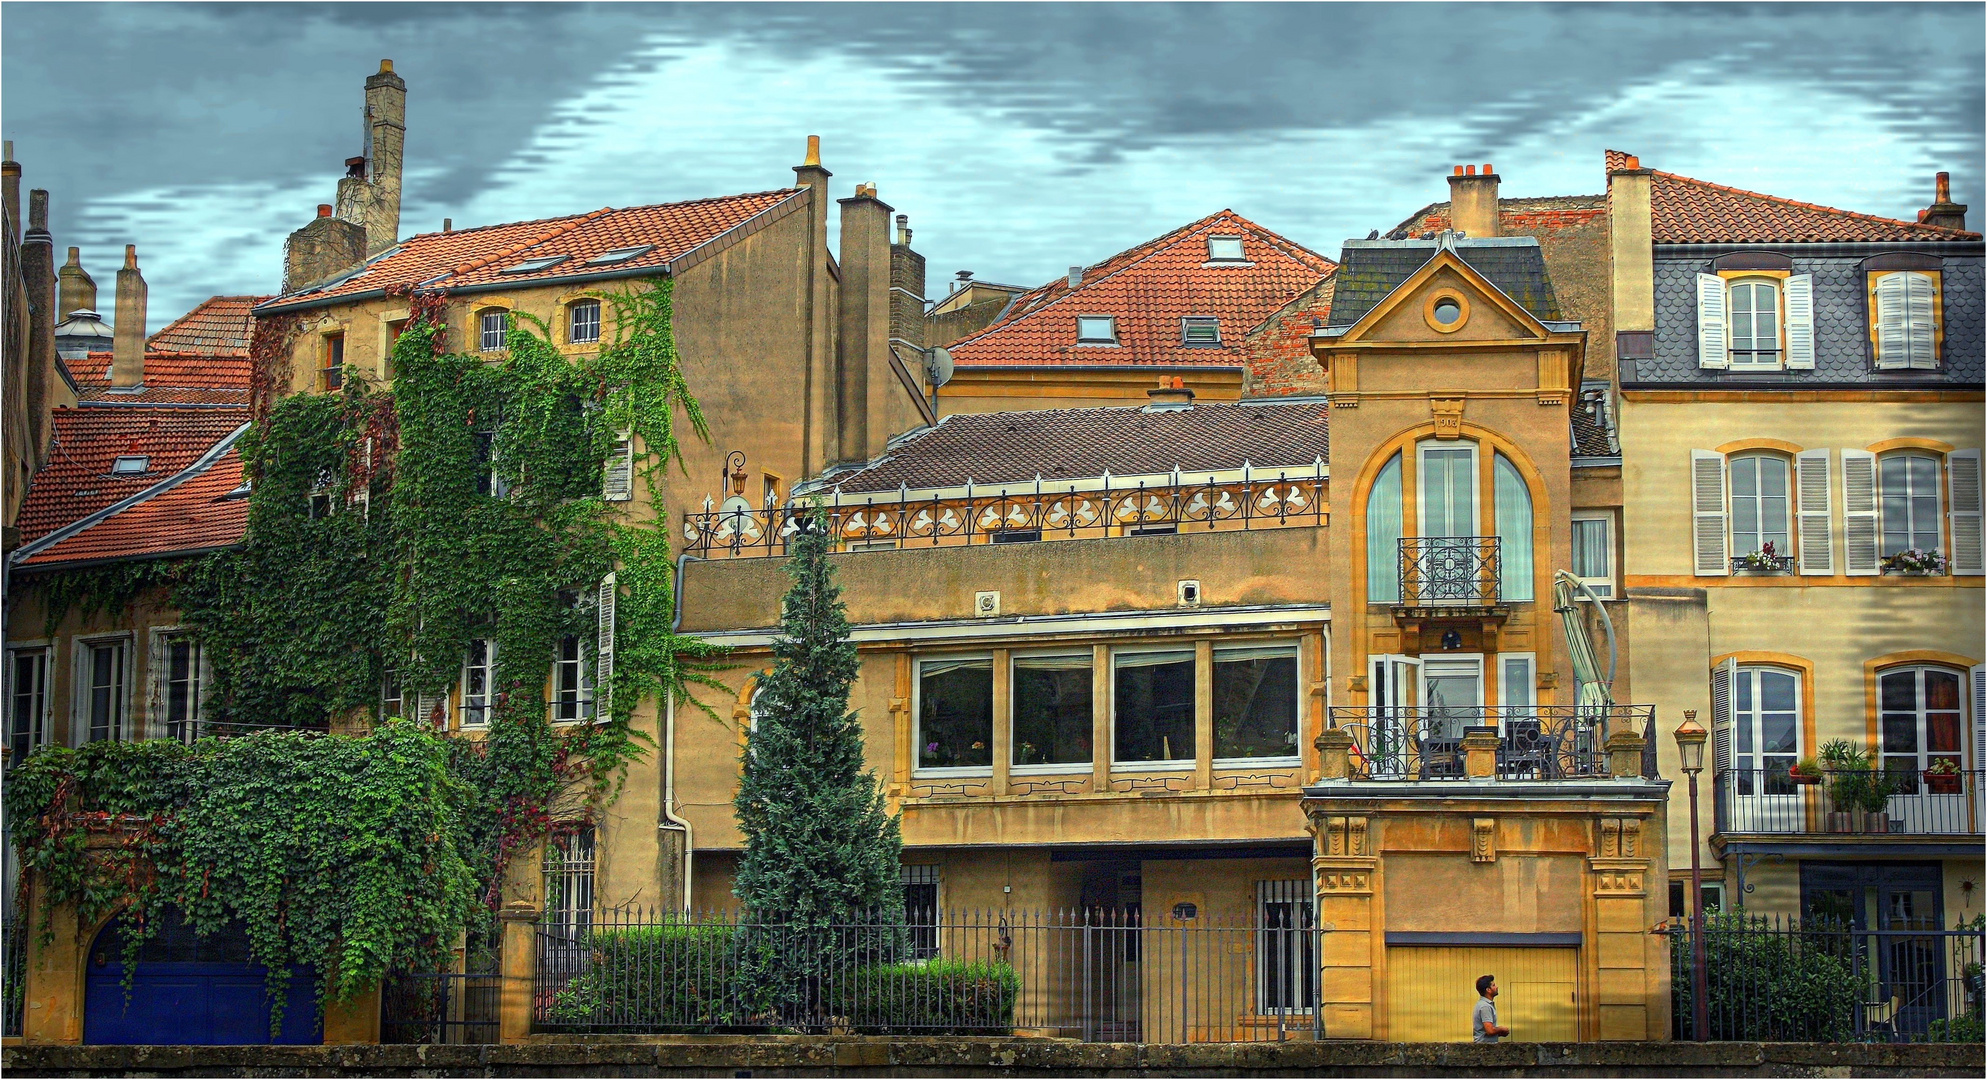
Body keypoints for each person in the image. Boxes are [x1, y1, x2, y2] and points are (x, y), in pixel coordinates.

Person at [1473, 974, 1510, 1043]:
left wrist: (1498, 1033)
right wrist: (1502, 1029)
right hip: (1485, 1047)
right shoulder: (1485, 1006)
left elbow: (1485, 1031)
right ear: (1488, 990)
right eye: (1493, 985)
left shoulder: (1483, 1004)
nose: (1496, 987)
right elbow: (1490, 1030)